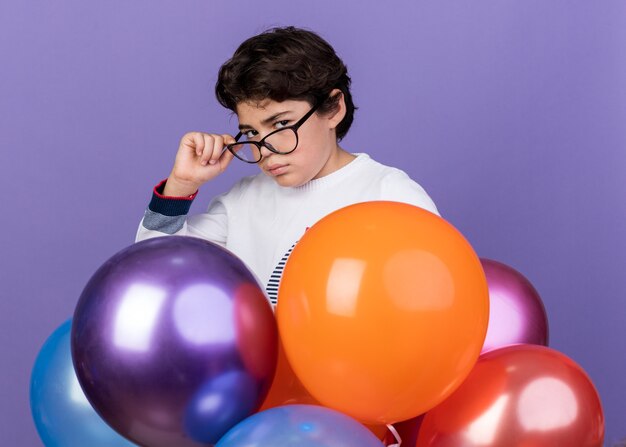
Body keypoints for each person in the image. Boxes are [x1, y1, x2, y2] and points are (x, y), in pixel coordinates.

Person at [136, 26, 439, 306]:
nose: (265, 149)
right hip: (258, 366)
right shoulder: (242, 201)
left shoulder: (390, 195)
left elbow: (434, 301)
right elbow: (155, 269)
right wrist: (181, 185)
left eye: (281, 124)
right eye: (252, 132)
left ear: (333, 108)